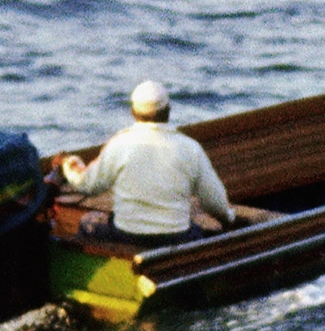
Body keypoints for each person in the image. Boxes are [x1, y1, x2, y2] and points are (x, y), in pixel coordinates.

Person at [59, 80, 238, 241]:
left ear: (133, 112)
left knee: (87, 223)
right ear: (168, 111)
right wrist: (228, 219)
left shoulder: (120, 144)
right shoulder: (190, 148)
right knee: (205, 233)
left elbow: (88, 184)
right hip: (176, 236)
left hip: (126, 234)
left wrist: (69, 164)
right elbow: (213, 201)